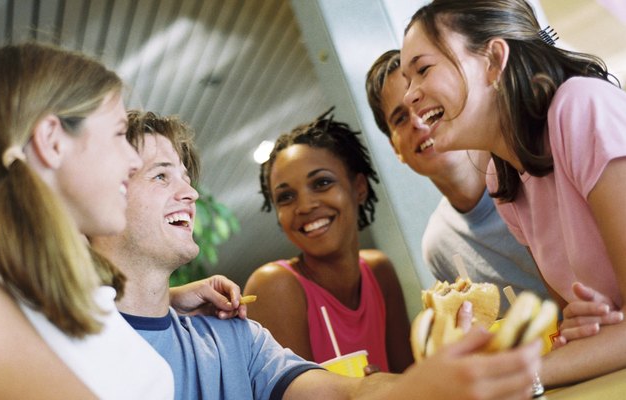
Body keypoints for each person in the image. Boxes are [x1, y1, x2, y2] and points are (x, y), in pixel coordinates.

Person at [91, 109, 544, 400]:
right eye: (161, 176)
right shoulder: (64, 351)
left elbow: (351, 393)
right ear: (98, 198)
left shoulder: (234, 336)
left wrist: (435, 386)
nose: (190, 193)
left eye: (186, 177)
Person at [0, 42, 244, 399]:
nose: (132, 161)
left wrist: (168, 299)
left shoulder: (74, 294)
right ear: (52, 141)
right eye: (118, 134)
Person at [401, 0, 626, 387]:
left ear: (493, 60)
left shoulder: (580, 106)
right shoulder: (502, 180)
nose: (409, 96)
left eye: (423, 70)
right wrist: (579, 326)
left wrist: (504, 378)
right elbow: (585, 321)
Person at [365, 49, 550, 313]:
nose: (419, 121)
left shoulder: (533, 168)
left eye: (424, 101)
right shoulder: (439, 246)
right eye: (401, 118)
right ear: (395, 148)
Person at [243, 109, 413, 373]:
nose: (305, 206)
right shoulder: (274, 286)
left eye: (322, 183)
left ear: (359, 188)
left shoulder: (380, 272)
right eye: (286, 197)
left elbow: (409, 381)